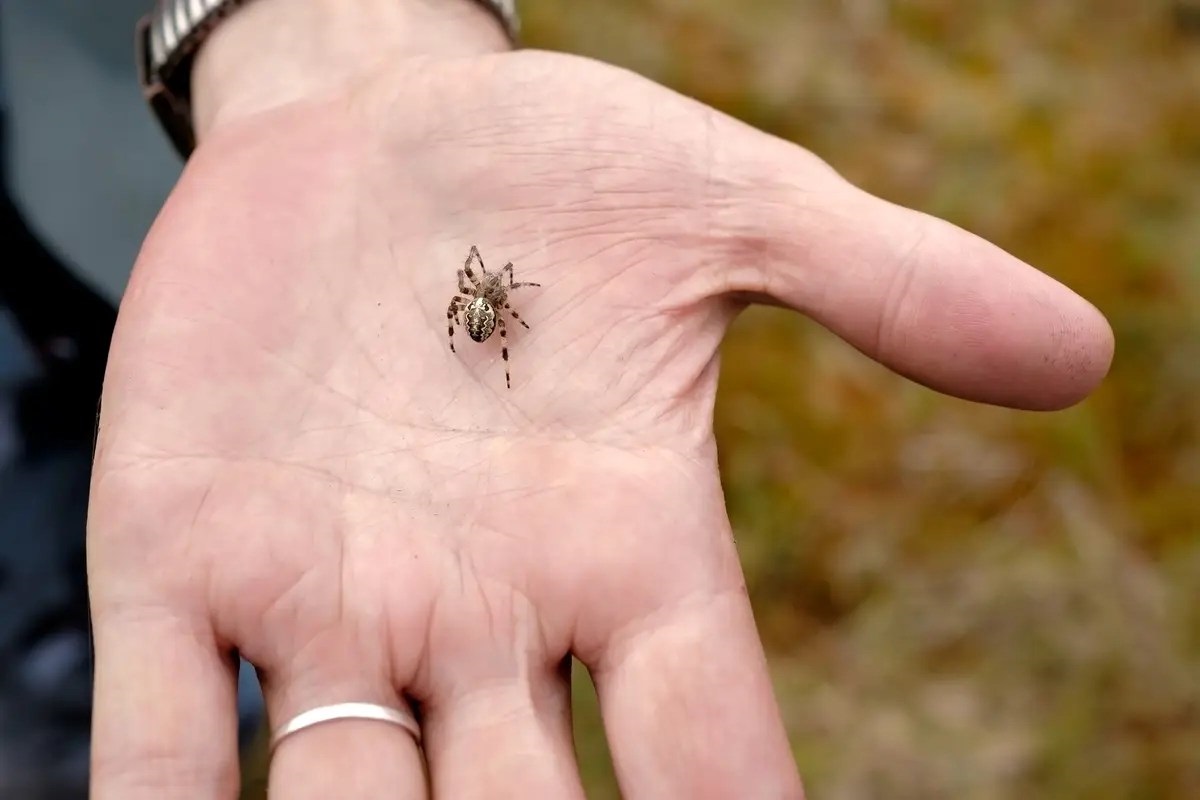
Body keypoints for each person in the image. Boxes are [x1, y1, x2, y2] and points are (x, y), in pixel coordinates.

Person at [76, 0, 1119, 797]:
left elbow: (478, 305)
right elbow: (481, 303)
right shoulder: (485, 296)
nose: (485, 301)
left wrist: (338, 29)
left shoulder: (483, 296)